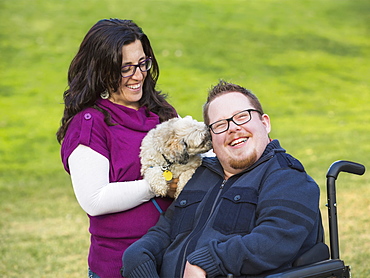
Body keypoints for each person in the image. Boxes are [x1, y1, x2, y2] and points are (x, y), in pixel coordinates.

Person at [122, 80, 323, 277]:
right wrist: (138, 256)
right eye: (220, 124)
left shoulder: (286, 176)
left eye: (242, 116)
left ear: (265, 123)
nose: (233, 128)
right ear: (211, 138)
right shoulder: (200, 175)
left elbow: (275, 240)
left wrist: (209, 261)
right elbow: (166, 231)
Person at [56, 19, 178, 278]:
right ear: (102, 70)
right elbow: (95, 199)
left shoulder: (161, 112)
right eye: (125, 69)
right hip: (120, 266)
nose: (138, 75)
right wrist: (159, 184)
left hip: (174, 259)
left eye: (142, 63)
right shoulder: (89, 124)